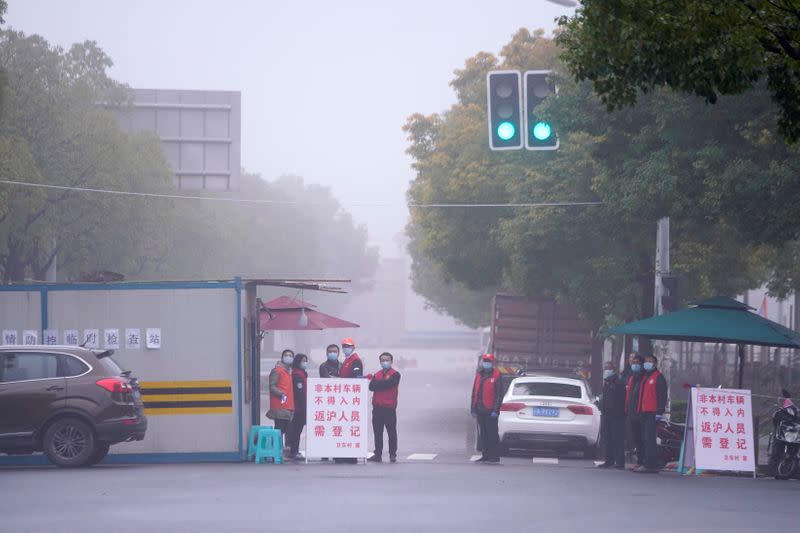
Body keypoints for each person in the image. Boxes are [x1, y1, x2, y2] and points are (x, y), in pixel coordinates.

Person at [633, 354, 668, 473]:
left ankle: (650, 464)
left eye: (650, 361)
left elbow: (662, 396)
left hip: (653, 412)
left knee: (649, 439)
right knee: (645, 438)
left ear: (655, 364)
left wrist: (659, 411)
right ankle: (646, 462)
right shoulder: (645, 377)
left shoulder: (658, 377)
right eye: (646, 361)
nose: (647, 363)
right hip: (644, 411)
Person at [367, 352, 401, 463]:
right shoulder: (377, 374)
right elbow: (371, 387)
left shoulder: (395, 374)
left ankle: (392, 454)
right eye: (382, 360)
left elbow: (390, 384)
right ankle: (378, 454)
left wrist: (379, 384)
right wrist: (382, 383)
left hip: (389, 408)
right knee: (378, 433)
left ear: (391, 361)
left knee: (391, 432)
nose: (384, 362)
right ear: (380, 362)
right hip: (377, 408)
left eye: (387, 360)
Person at [471, 353, 502, 464]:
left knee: (492, 434)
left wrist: (496, 410)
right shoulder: (479, 375)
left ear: (492, 363)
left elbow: (499, 395)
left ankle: (495, 456)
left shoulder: (497, 375)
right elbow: (474, 392)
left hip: (490, 411)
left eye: (488, 361)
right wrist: (473, 408)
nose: (486, 363)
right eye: (485, 361)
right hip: (480, 409)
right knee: (483, 434)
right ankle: (485, 455)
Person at [597, 361, 627, 469]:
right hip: (606, 415)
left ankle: (619, 462)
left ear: (614, 371)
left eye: (608, 368)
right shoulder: (607, 382)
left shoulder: (618, 383)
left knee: (617, 439)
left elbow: (621, 400)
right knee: (607, 438)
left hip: (617, 416)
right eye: (605, 368)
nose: (606, 371)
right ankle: (609, 460)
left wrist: (619, 413)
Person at [266, 349, 295, 451]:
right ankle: (276, 450)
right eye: (286, 355)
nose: (288, 357)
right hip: (280, 405)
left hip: (288, 405)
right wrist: (281, 394)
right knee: (280, 429)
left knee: (286, 429)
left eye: (290, 355)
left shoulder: (289, 372)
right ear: (282, 357)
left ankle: (281, 450)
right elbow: (272, 386)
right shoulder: (277, 370)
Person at [286, 353, 309, 460]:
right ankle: (293, 451)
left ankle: (294, 450)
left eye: (306, 360)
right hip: (298, 407)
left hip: (300, 406)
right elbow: (299, 393)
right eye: (303, 361)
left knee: (297, 430)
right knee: (296, 430)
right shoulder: (297, 375)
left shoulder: (302, 374)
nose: (305, 363)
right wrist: (302, 406)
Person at [625, 353, 645, 468]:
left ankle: (643, 461)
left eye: (637, 363)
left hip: (641, 413)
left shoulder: (644, 378)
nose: (635, 365)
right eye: (633, 363)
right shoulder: (632, 378)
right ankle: (639, 461)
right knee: (637, 438)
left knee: (642, 438)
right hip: (632, 413)